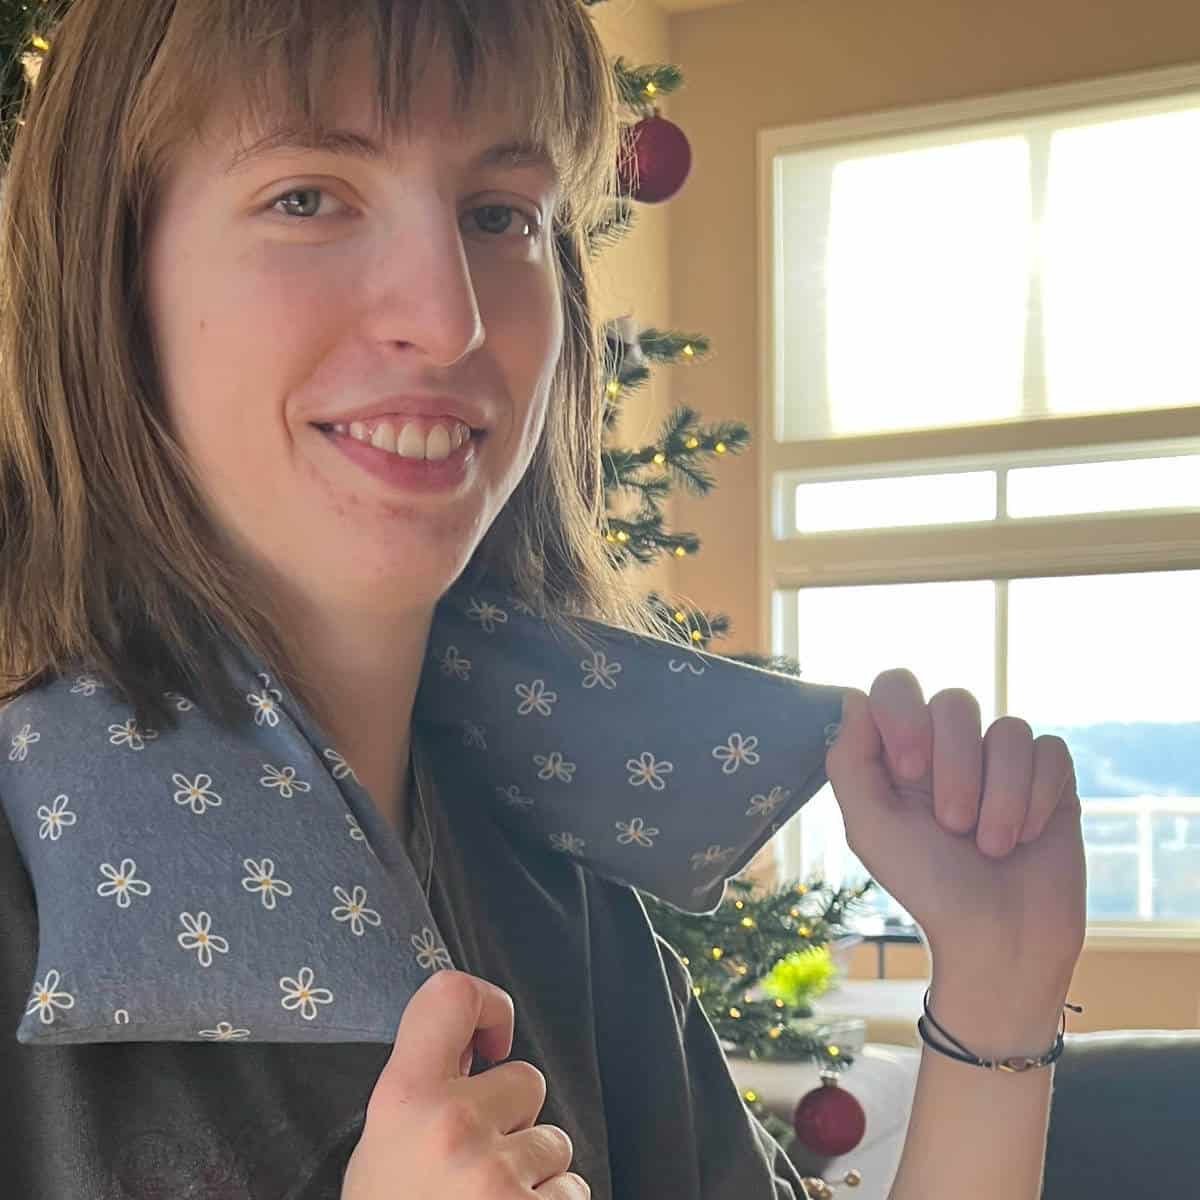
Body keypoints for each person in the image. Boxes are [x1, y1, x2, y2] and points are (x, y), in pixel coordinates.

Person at [0, 2, 1086, 1198]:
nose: (451, 316)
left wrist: (997, 984)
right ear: (115, 275)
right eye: (308, 196)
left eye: (498, 214)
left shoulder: (560, 894)